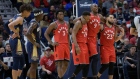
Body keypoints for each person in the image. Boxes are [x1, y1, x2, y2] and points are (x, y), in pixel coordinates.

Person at [8, 4, 33, 79]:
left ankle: (17, 77)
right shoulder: (20, 18)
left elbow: (7, 24)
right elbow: (9, 25)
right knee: (16, 61)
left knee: (22, 62)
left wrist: (11, 33)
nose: (30, 14)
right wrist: (16, 32)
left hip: (18, 41)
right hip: (17, 41)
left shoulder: (16, 16)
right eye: (29, 12)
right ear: (25, 11)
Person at [97, 14, 124, 79]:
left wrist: (121, 34)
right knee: (105, 65)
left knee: (112, 65)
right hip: (104, 47)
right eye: (111, 17)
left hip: (111, 47)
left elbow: (115, 39)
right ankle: (97, 77)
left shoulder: (114, 28)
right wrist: (101, 19)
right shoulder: (102, 26)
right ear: (107, 18)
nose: (112, 19)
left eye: (113, 18)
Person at [44, 10, 70, 79]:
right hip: (59, 45)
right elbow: (46, 33)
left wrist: (69, 45)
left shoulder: (67, 23)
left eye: (63, 14)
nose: (62, 15)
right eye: (60, 14)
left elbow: (67, 35)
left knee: (66, 64)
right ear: (57, 15)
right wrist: (51, 43)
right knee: (59, 64)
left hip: (66, 45)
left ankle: (59, 77)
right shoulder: (54, 24)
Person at [68, 11, 90, 79]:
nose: (88, 20)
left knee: (86, 64)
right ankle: (72, 77)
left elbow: (73, 21)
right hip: (78, 44)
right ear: (83, 17)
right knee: (82, 63)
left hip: (85, 44)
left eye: (88, 19)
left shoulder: (85, 23)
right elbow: (73, 34)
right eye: (87, 19)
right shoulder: (78, 23)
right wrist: (76, 46)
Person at [25, 9, 44, 79]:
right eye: (42, 14)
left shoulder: (36, 22)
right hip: (33, 46)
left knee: (34, 65)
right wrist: (34, 43)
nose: (43, 16)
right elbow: (27, 34)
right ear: (39, 15)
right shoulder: (34, 23)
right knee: (33, 66)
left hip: (34, 46)